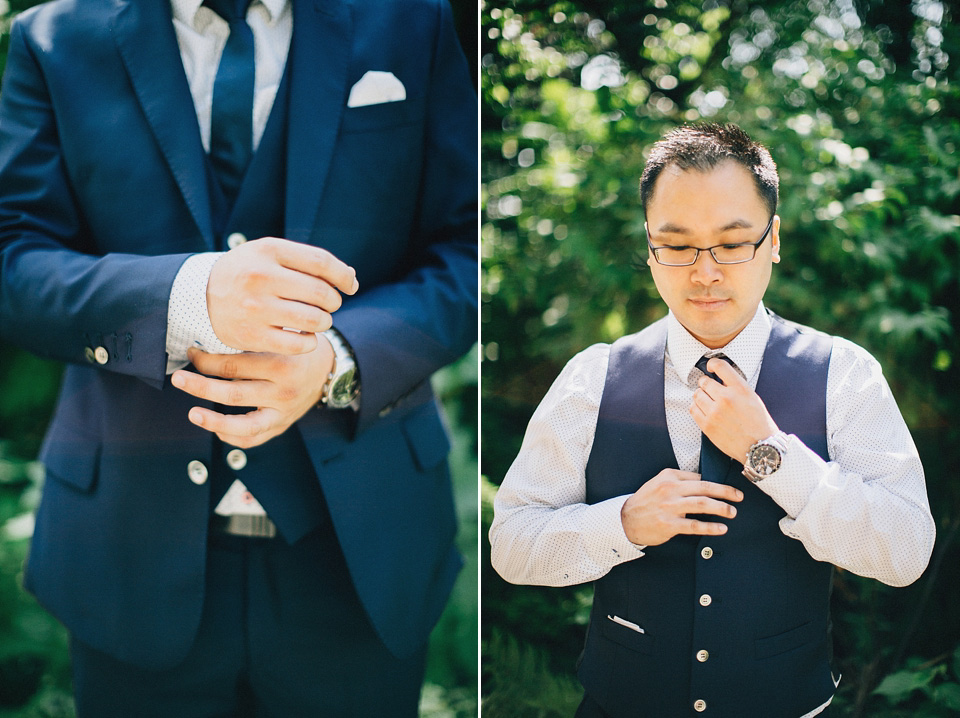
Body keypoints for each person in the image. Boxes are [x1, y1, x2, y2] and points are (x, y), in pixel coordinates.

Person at [0, 0, 476, 714]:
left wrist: (339, 361)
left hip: (357, 552)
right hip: (129, 555)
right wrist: (186, 296)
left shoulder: (413, 19)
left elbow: (468, 251)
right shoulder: (53, 34)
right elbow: (15, 259)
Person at [489, 124, 934, 718]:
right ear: (650, 245)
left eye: (732, 243)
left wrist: (768, 451)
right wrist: (620, 523)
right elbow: (511, 547)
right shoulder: (592, 378)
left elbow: (906, 552)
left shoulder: (843, 375)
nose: (704, 272)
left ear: (774, 239)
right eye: (677, 245)